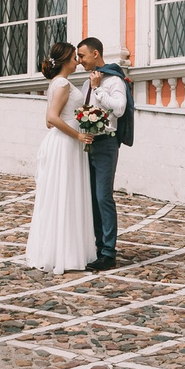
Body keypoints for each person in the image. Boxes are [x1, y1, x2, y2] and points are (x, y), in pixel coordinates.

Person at [18, 41, 97, 274]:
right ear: (65, 61)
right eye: (75, 57)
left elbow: (48, 120)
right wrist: (78, 135)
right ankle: (65, 254)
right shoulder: (62, 84)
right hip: (66, 144)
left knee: (63, 195)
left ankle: (60, 251)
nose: (78, 61)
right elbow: (52, 118)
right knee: (65, 194)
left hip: (62, 142)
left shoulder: (56, 83)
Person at [73, 36, 131, 271]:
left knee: (103, 197)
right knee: (92, 199)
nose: (79, 61)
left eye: (82, 56)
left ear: (95, 54)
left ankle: (108, 252)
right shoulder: (88, 83)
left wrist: (98, 90)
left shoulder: (113, 80)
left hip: (106, 143)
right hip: (88, 143)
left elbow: (119, 108)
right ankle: (97, 248)